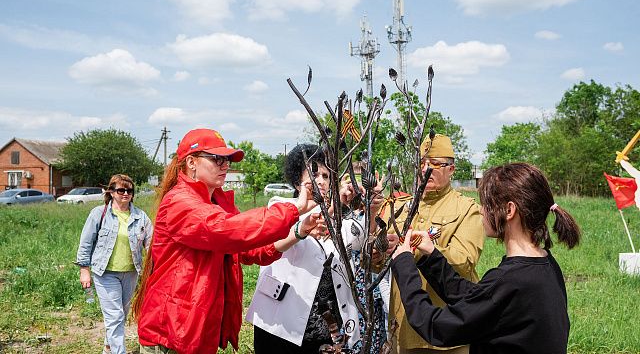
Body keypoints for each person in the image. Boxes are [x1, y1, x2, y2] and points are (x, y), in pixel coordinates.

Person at [130, 128, 315, 354]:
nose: (225, 165)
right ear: (191, 162)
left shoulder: (218, 203)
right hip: (171, 332)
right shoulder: (179, 202)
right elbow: (227, 230)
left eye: (227, 159)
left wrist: (299, 231)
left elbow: (249, 249)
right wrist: (292, 207)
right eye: (217, 159)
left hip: (196, 329)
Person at [391, 162, 581, 354]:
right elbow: (478, 299)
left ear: (509, 210)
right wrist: (431, 256)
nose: (481, 210)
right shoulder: (545, 264)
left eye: (487, 204)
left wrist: (404, 263)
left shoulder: (510, 280)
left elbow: (436, 326)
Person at [246, 143, 388, 353]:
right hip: (280, 324)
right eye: (313, 174)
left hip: (326, 326)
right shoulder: (279, 207)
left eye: (326, 176)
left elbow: (361, 239)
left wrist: (372, 208)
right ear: (297, 181)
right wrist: (332, 207)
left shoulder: (340, 218)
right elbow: (293, 227)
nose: (320, 181)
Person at [380, 134, 484, 354]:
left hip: (446, 332)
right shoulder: (399, 207)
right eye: (422, 163)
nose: (426, 169)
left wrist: (413, 251)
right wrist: (379, 250)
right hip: (403, 328)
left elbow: (464, 262)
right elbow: (377, 264)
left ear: (451, 169)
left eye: (436, 164)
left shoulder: (466, 209)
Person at [76, 174, 153, 354]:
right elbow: (86, 242)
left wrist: (155, 268)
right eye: (121, 190)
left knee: (120, 317)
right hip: (105, 273)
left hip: (131, 272)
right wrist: (84, 270)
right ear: (111, 192)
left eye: (129, 190)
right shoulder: (99, 213)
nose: (125, 194)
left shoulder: (141, 217)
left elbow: (151, 245)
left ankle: (108, 349)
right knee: (115, 316)